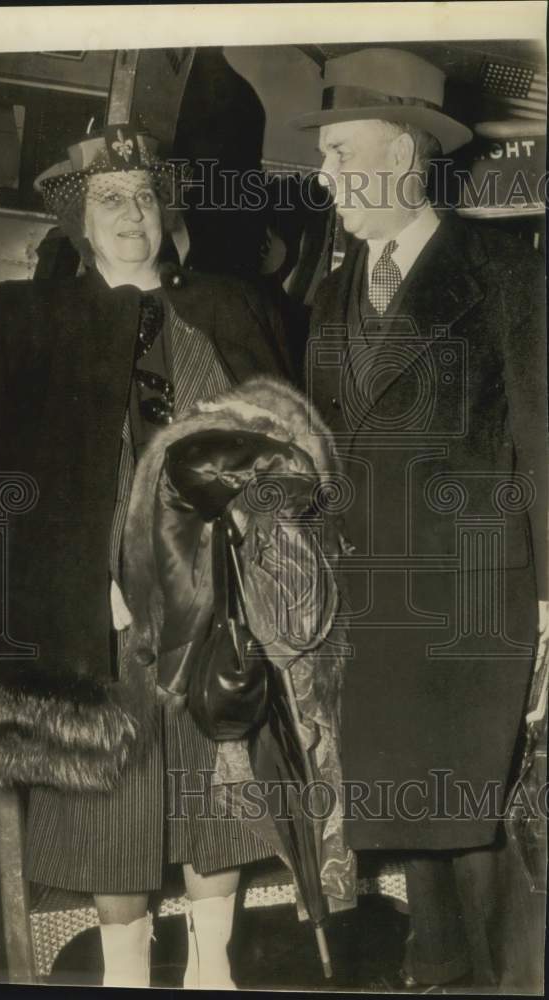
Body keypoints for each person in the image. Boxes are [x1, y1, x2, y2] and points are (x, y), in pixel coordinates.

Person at [0, 123, 292, 988]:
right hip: (97, 618)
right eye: (110, 199)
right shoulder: (30, 319)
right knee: (111, 804)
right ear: (80, 219)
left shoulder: (228, 312)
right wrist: (79, 581)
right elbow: (6, 478)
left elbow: (285, 455)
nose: (132, 213)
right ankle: (125, 975)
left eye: (146, 196)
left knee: (219, 796)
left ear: (169, 213)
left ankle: (212, 970)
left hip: (221, 607)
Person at [296, 47, 547, 989]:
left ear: (403, 155)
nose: (327, 177)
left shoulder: (506, 269)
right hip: (374, 610)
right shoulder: (325, 294)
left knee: (484, 831)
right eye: (322, 158)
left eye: (342, 152)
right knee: (418, 840)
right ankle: (436, 970)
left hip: (477, 602)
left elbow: (540, 436)